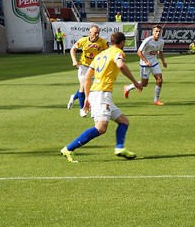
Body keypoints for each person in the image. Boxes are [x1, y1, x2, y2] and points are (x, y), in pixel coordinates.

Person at [60, 31, 142, 163]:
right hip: (102, 94)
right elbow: (120, 65)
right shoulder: (118, 52)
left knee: (124, 121)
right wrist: (135, 82)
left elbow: (87, 78)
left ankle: (120, 148)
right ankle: (68, 148)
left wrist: (87, 97)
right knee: (101, 128)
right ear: (122, 43)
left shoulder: (99, 55)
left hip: (96, 93)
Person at [68, 25, 109, 117]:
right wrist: (74, 60)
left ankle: (74, 97)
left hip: (96, 67)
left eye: (98, 32)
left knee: (92, 89)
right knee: (83, 85)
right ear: (90, 32)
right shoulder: (83, 40)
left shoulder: (103, 42)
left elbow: (108, 53)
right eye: (95, 32)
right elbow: (73, 49)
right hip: (84, 66)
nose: (96, 34)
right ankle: (82, 109)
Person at [124, 24, 167, 106]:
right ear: (153, 32)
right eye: (156, 31)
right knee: (144, 84)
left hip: (154, 63)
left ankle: (156, 100)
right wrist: (146, 61)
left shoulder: (161, 41)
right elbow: (139, 52)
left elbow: (160, 52)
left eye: (159, 31)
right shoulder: (147, 40)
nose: (158, 33)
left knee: (159, 80)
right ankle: (127, 88)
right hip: (145, 65)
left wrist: (163, 61)